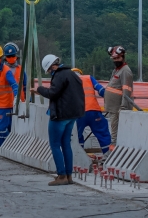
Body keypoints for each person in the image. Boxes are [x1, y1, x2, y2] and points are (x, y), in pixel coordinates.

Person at [35, 54, 85, 186]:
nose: (50, 73)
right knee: (66, 144)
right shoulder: (72, 74)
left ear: (51, 67)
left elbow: (52, 93)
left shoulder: (59, 76)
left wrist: (39, 89)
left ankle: (61, 175)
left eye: (49, 71)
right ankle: (68, 176)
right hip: (72, 116)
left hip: (60, 116)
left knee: (55, 144)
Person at [71, 68, 111, 155]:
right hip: (94, 111)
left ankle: (80, 157)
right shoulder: (88, 77)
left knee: (77, 135)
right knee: (102, 132)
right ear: (81, 73)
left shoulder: (69, 81)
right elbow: (101, 90)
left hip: (78, 114)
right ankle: (107, 156)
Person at [105, 46, 133, 146]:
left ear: (123, 57)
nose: (116, 60)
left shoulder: (125, 71)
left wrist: (123, 107)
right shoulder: (117, 70)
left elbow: (127, 91)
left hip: (118, 109)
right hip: (113, 108)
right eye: (114, 59)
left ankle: (115, 153)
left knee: (115, 134)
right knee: (114, 131)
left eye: (118, 58)